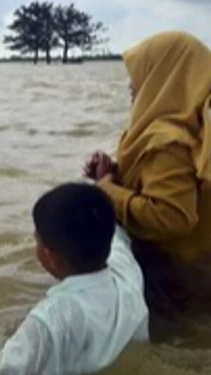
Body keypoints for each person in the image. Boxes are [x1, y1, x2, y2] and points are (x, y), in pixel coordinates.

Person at [0, 182, 148, 375]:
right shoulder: (127, 270)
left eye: (37, 240)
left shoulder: (51, 319)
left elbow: (0, 371)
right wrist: (103, 183)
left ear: (50, 256)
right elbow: (116, 234)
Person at [84, 31, 211, 339]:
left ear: (163, 76)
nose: (131, 85)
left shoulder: (167, 141)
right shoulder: (193, 126)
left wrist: (107, 190)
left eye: (140, 73)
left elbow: (172, 219)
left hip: (177, 282)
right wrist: (114, 172)